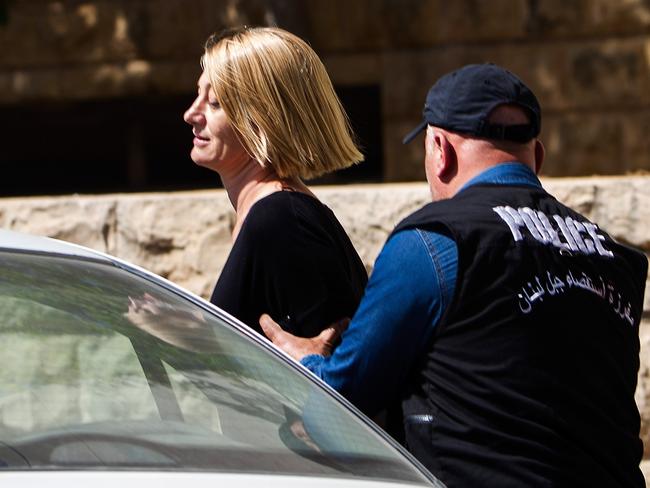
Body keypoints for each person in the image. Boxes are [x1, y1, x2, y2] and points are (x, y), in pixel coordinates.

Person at [260, 63, 649, 487]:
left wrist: (303, 364)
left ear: (441, 151)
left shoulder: (434, 240)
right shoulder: (615, 256)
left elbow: (339, 411)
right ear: (537, 156)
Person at [183, 26, 367, 337]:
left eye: (214, 104)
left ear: (262, 120)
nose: (190, 114)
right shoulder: (274, 213)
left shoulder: (281, 220)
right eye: (198, 97)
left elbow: (326, 365)